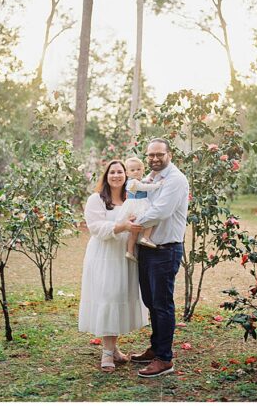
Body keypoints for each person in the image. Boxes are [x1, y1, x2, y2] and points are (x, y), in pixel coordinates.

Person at [78, 159, 149, 372]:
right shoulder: (96, 199)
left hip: (125, 254)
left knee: (118, 297)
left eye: (120, 172)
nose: (116, 176)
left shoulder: (132, 197)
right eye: (112, 172)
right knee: (108, 297)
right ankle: (107, 353)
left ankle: (114, 348)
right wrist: (122, 226)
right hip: (104, 255)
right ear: (106, 176)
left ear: (126, 175)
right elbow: (95, 227)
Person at [127, 138, 190, 379]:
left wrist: (133, 224)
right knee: (151, 301)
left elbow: (160, 211)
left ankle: (164, 358)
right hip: (148, 248)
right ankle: (156, 347)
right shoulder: (151, 178)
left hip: (165, 249)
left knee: (162, 304)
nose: (154, 158)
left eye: (159, 154)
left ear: (169, 155)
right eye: (150, 155)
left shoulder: (175, 179)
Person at [121, 155, 158, 262]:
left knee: (134, 231)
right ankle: (146, 237)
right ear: (127, 173)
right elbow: (144, 187)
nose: (136, 172)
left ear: (143, 170)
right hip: (140, 205)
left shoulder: (132, 181)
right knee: (150, 219)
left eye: (138, 169)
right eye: (132, 170)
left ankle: (129, 251)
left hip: (133, 206)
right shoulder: (133, 182)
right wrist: (157, 185)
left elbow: (143, 181)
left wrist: (148, 179)